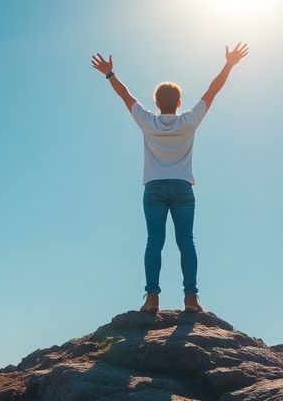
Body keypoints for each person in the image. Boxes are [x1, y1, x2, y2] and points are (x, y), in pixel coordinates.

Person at [90, 43, 249, 314]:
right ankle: (191, 299)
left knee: (154, 242)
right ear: (178, 103)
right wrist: (229, 64)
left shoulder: (147, 122)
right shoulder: (189, 120)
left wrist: (110, 74)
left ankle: (152, 299)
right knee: (186, 241)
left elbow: (125, 96)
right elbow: (212, 91)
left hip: (154, 189)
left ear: (155, 102)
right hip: (183, 188)